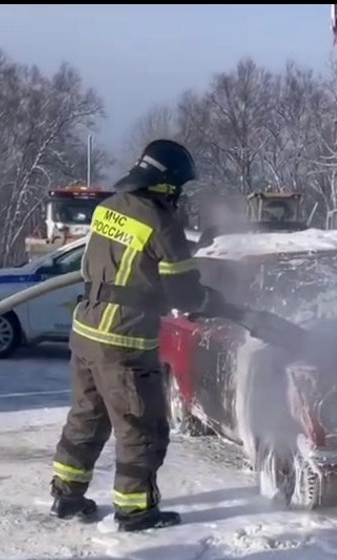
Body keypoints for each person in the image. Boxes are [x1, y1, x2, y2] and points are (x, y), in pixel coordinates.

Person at [49, 139, 239, 532]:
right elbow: (185, 293)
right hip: (124, 341)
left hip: (86, 331)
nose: (180, 197)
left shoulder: (108, 208)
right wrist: (214, 301)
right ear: (166, 185)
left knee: (87, 417)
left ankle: (66, 497)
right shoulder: (161, 222)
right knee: (141, 427)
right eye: (179, 189)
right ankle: (136, 511)